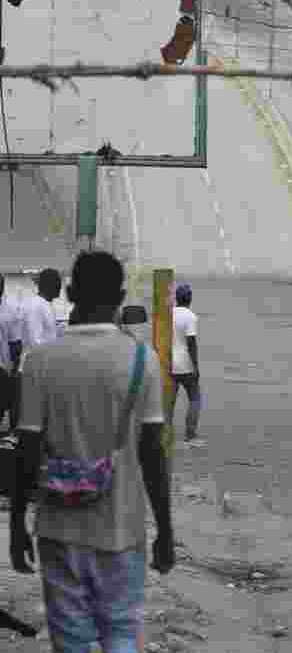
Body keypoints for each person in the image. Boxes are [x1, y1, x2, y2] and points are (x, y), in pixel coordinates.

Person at [9, 251, 175, 653]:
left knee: (70, 642)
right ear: (120, 297)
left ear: (69, 292)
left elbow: (26, 451)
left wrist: (16, 523)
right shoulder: (142, 361)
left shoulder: (40, 362)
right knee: (121, 634)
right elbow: (152, 453)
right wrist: (165, 529)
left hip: (58, 530)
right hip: (122, 529)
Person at [171, 283, 201, 442]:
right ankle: (190, 435)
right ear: (189, 298)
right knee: (195, 399)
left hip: (169, 364)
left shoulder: (168, 315)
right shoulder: (190, 317)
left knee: (169, 402)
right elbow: (191, 343)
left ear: (176, 298)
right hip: (186, 366)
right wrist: (196, 367)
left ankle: (164, 434)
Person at [0, 275, 22, 432]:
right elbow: (15, 345)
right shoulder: (10, 311)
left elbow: (15, 345)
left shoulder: (10, 311)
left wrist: (13, 371)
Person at [161, 0, 195, 65]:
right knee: (186, 34)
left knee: (186, 34)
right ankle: (172, 57)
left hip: (190, 4)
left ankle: (171, 56)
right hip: (190, 5)